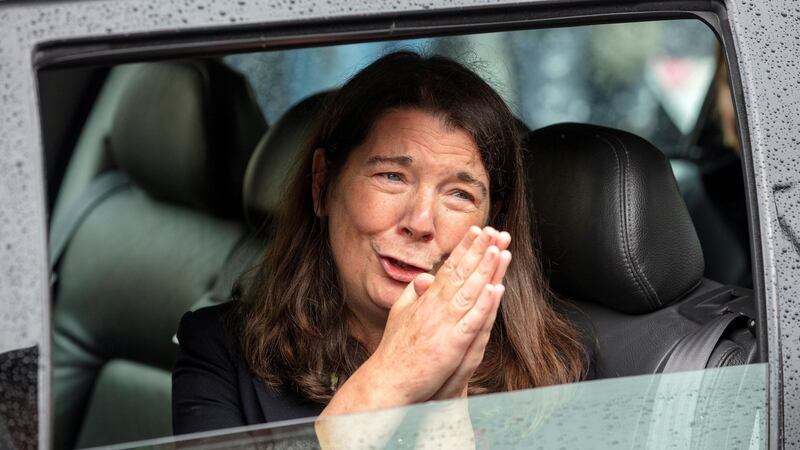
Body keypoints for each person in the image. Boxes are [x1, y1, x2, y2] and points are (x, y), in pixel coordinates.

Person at [172, 51, 592, 437]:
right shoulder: (222, 349)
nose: (420, 222)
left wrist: (445, 409)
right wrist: (394, 374)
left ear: (492, 221)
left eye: (460, 195)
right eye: (392, 176)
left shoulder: (554, 376)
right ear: (322, 186)